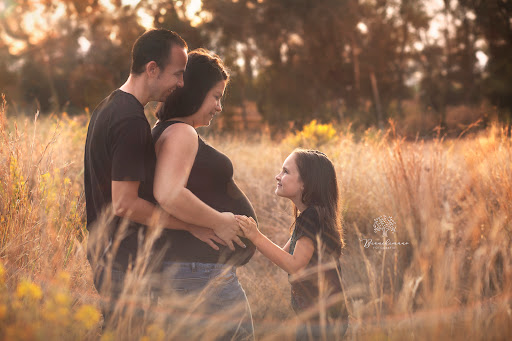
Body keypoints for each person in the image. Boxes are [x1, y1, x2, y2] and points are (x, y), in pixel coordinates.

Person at [84, 29, 241, 326]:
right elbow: (125, 204)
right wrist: (193, 225)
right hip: (123, 262)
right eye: (177, 74)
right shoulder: (130, 121)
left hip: (107, 255)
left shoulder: (109, 107)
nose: (181, 84)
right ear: (152, 69)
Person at [151, 48, 256, 340]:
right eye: (216, 96)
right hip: (200, 272)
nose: (219, 107)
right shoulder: (182, 133)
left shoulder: (166, 130)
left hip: (193, 270)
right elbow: (169, 194)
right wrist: (219, 221)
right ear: (195, 92)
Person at [236, 149, 349, 340]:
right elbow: (283, 256)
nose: (277, 176)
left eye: (286, 172)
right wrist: (249, 237)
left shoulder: (312, 217)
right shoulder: (309, 216)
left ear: (305, 184)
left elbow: (294, 265)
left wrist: (256, 236)